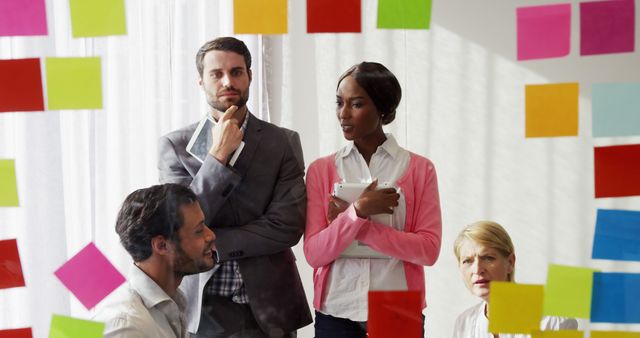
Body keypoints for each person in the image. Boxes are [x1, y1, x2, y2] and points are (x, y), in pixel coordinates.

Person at [158, 36, 311, 338]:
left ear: (250, 76)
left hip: (271, 309)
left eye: (237, 72)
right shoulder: (174, 146)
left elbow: (287, 226)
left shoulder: (282, 142)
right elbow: (178, 225)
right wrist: (218, 156)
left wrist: (211, 242)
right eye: (216, 73)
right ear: (201, 81)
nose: (228, 81)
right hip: (204, 308)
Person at [304, 61, 442, 338]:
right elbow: (314, 253)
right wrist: (358, 211)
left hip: (397, 308)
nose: (343, 114)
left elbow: (428, 250)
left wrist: (358, 223)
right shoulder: (321, 170)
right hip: (335, 310)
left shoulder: (419, 169)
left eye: (356, 104)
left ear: (382, 108)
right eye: (339, 103)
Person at [94, 183, 216, 338]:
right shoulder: (127, 326)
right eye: (198, 231)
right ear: (162, 245)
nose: (211, 235)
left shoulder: (172, 302)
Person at [452, 220, 578, 338]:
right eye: (467, 261)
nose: (477, 269)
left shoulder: (554, 320)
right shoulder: (463, 324)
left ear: (510, 263)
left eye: (488, 257)